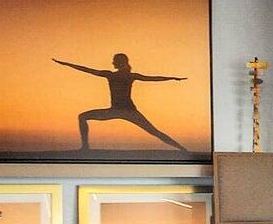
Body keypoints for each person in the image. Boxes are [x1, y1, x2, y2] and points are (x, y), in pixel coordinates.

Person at [53, 53, 188, 151]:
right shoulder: (116, 75)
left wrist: (172, 78)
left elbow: (152, 78)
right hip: (116, 110)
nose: (112, 62)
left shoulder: (120, 75)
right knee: (83, 116)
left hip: (129, 111)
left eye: (114, 60)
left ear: (120, 62)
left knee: (154, 132)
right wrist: (66, 64)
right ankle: (85, 148)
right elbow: (87, 69)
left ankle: (182, 150)